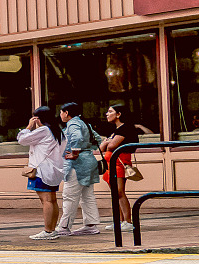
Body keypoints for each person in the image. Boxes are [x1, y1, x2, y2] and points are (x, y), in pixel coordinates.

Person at [54, 100, 102, 237]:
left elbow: (77, 137)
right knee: (87, 195)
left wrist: (75, 152)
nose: (60, 115)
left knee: (69, 195)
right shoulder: (84, 123)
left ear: (66, 113)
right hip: (89, 160)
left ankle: (64, 226)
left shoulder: (72, 123)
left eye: (61, 112)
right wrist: (86, 149)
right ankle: (91, 225)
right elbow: (98, 139)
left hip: (77, 164)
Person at [18, 105, 65, 239]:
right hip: (53, 170)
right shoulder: (57, 130)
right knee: (52, 200)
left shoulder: (44, 130)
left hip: (42, 171)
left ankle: (48, 231)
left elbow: (22, 139)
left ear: (38, 118)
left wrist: (28, 127)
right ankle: (52, 229)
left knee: (46, 200)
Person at [98, 102, 144, 233]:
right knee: (114, 193)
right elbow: (102, 147)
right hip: (110, 164)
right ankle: (119, 221)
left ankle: (127, 221)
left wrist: (107, 142)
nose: (107, 114)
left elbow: (111, 146)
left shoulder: (125, 128)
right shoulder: (116, 130)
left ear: (118, 114)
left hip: (120, 163)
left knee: (119, 192)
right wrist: (107, 142)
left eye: (110, 112)